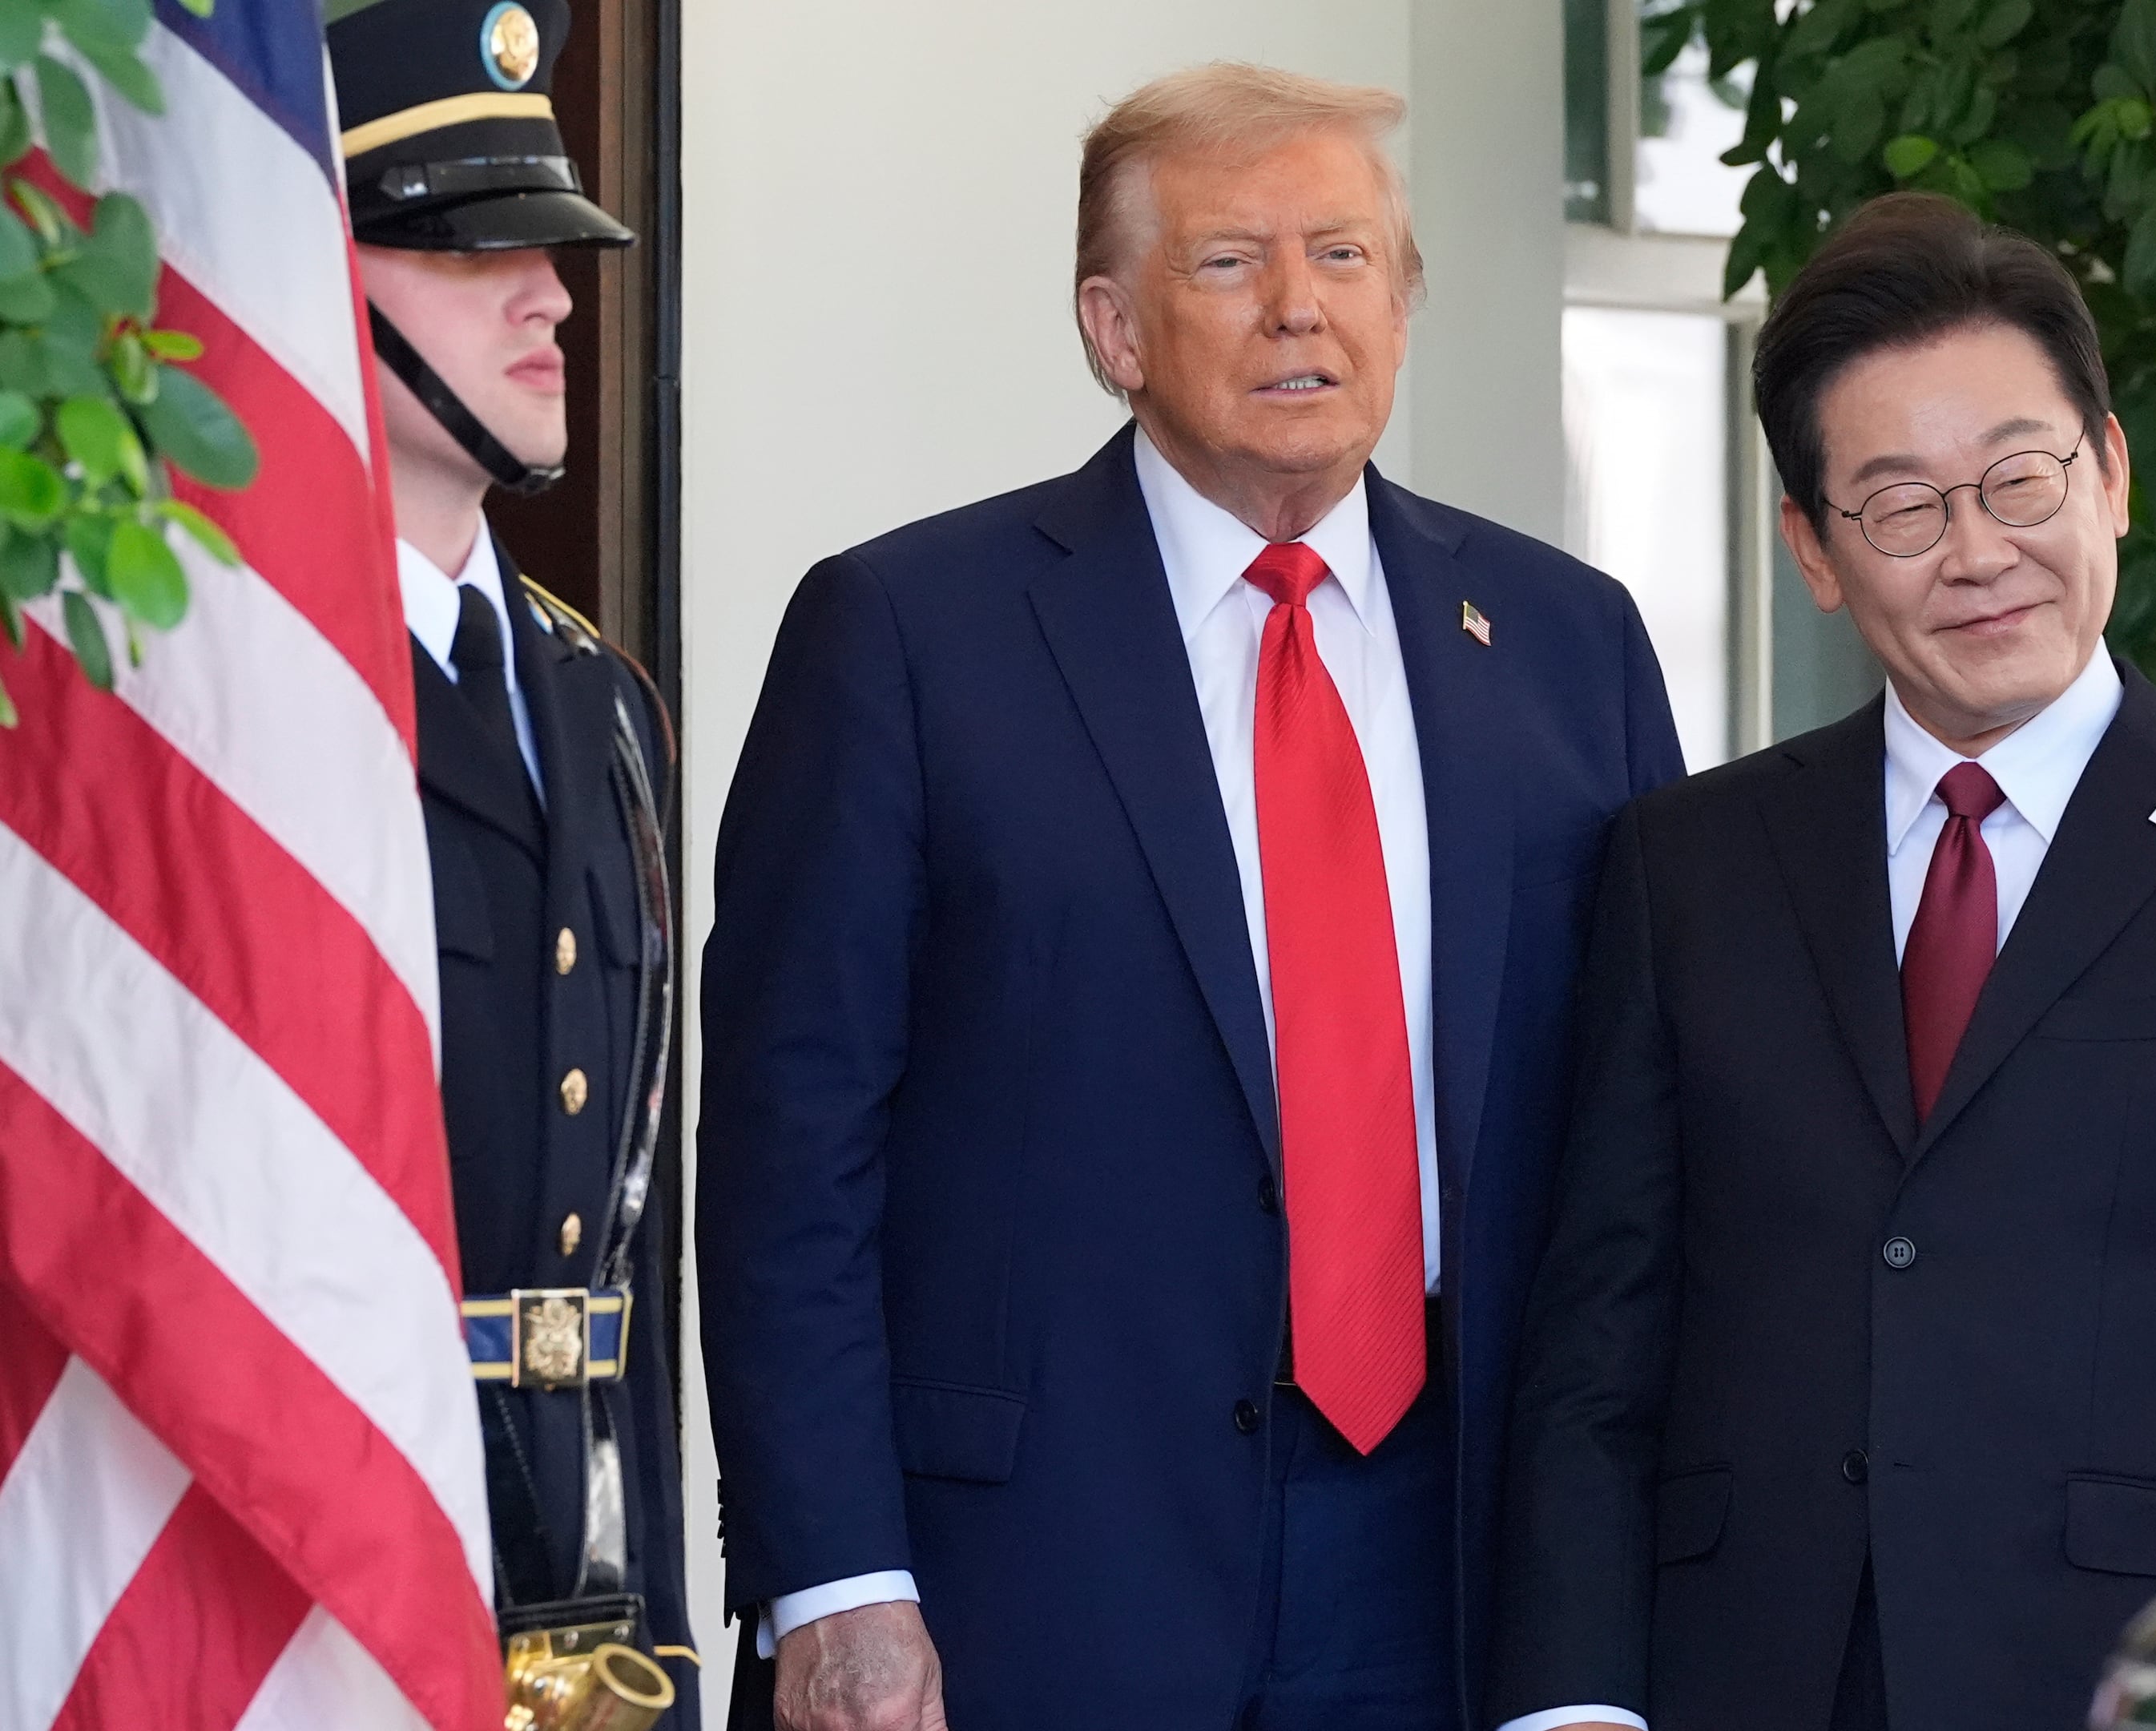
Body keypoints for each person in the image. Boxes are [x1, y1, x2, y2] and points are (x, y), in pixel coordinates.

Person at [697, 62, 1682, 1731]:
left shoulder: (1569, 646)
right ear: (1114, 326)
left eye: (1348, 257)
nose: (1300, 308)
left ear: (1409, 297)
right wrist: (841, 1581)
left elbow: (1650, 1146)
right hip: (1037, 1582)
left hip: (1452, 1569)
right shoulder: (911, 637)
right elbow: (792, 1151)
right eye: (1229, 262)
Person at [1486, 193, 2156, 1731]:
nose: (1980, 554)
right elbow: (1595, 1351)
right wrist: (1575, 1702)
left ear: (2114, 476)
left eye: (2022, 479)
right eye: (1901, 507)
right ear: (1814, 549)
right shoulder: (1690, 865)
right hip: (1737, 1678)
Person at [328, 0, 696, 1718]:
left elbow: (634, 1247)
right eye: (480, 252)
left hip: (579, 1606)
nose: (551, 294)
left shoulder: (602, 699)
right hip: (333, 1557)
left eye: (554, 248)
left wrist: (665, 1643)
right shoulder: (260, 696)